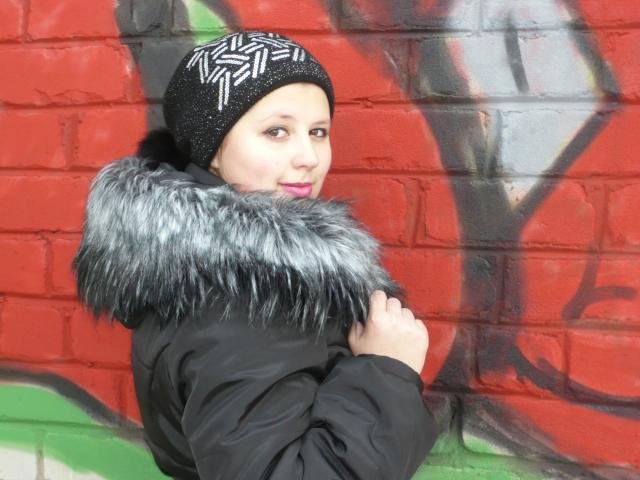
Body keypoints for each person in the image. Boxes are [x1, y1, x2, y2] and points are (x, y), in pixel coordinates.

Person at [73, 30, 438, 479]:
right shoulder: (246, 299)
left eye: (318, 132)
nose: (309, 156)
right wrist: (384, 371)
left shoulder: (203, 270)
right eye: (276, 131)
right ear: (213, 150)